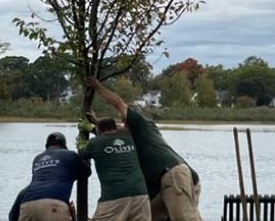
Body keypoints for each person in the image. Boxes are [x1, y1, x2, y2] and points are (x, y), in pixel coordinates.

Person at [85, 78, 200, 221]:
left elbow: (117, 103)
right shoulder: (134, 135)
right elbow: (114, 132)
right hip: (164, 183)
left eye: (124, 119)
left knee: (184, 218)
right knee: (144, 214)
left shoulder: (141, 123)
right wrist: (97, 124)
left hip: (173, 175)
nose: (122, 123)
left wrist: (97, 87)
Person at [78, 115, 149, 220]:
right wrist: (95, 124)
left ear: (99, 130)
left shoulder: (95, 143)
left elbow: (82, 154)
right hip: (140, 194)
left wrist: (82, 141)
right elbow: (121, 129)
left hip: (114, 196)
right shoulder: (128, 137)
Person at [7, 131, 90, 221]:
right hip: (53, 205)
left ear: (46, 146)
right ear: (64, 146)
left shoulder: (37, 158)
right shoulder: (70, 155)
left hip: (27, 205)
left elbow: (12, 216)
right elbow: (86, 172)